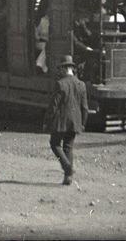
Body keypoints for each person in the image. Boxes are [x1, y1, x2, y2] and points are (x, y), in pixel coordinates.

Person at [42, 54, 89, 186]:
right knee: (68, 147)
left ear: (64, 69)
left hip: (60, 122)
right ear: (72, 69)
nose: (59, 72)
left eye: (60, 69)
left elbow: (53, 106)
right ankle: (68, 178)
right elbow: (85, 108)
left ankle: (67, 167)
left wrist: (47, 121)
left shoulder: (60, 84)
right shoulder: (81, 85)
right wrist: (83, 123)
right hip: (75, 122)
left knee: (55, 144)